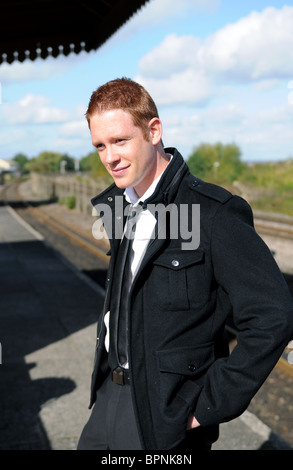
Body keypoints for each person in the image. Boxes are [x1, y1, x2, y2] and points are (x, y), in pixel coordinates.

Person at [77, 77, 293, 451]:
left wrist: (209, 404)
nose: (109, 157)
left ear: (154, 130)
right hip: (109, 398)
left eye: (120, 141)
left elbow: (273, 314)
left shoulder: (213, 213)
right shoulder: (116, 208)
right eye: (100, 145)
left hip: (168, 416)